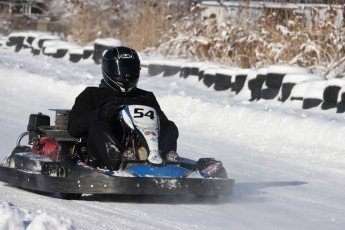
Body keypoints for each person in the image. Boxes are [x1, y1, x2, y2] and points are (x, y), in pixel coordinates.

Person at [68, 46, 179, 170]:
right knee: (98, 125)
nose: (126, 75)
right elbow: (73, 128)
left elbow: (162, 125)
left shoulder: (146, 97)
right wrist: (100, 113)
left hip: (143, 151)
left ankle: (166, 162)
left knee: (169, 126)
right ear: (108, 69)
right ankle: (122, 162)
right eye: (121, 69)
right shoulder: (92, 95)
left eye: (130, 69)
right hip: (101, 157)